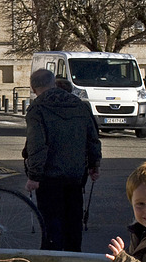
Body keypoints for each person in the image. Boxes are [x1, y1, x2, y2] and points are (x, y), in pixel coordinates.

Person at [23, 68, 101, 251]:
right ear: (53, 83)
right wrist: (94, 164)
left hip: (49, 176)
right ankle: (74, 258)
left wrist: (34, 176)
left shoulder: (38, 108)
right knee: (73, 220)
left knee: (51, 222)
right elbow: (92, 137)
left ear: (33, 87)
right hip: (76, 174)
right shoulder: (79, 105)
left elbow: (37, 145)